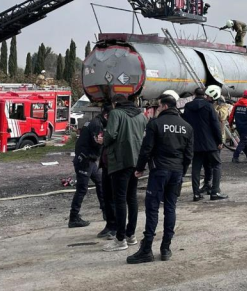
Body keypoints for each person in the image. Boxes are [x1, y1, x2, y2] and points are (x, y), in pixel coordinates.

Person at [127, 93, 194, 264]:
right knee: (170, 208)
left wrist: (140, 168)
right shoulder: (186, 126)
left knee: (152, 209)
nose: (155, 109)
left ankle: (147, 249)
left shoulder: (155, 124)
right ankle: (165, 248)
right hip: (176, 171)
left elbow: (146, 148)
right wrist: (181, 170)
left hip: (159, 171)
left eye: (157, 106)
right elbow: (188, 155)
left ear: (164, 106)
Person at [102, 95, 147, 252]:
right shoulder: (141, 115)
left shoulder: (116, 113)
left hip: (120, 161)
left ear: (115, 103)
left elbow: (111, 135)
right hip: (136, 161)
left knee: (119, 199)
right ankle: (131, 235)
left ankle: (120, 239)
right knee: (132, 198)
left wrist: (103, 141)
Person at [68, 105, 110, 228]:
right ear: (106, 116)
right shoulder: (97, 125)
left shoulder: (95, 122)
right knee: (82, 189)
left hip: (89, 160)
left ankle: (105, 211)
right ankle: (73, 217)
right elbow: (98, 142)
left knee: (100, 182)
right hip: (85, 161)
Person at [184, 88, 227, 201]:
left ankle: (196, 194)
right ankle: (215, 192)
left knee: (196, 168)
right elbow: (215, 125)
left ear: (194, 94)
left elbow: (186, 124)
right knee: (216, 164)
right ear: (205, 95)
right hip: (210, 143)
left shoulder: (188, 106)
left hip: (195, 143)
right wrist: (219, 141)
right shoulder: (209, 107)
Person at [229, 90, 247, 163]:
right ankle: (235, 156)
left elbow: (231, 115)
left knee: (243, 141)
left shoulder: (236, 105)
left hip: (238, 126)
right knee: (244, 141)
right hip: (246, 126)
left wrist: (230, 124)